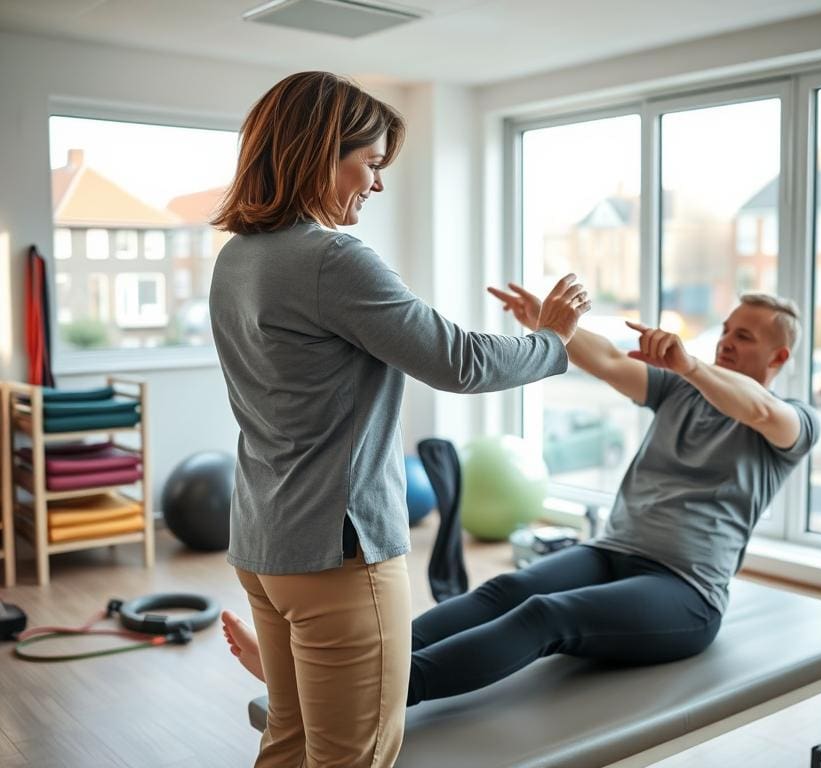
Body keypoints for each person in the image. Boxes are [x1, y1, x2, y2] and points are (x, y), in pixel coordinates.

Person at [208, 72, 591, 768]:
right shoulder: (332, 259)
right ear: (320, 154)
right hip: (338, 554)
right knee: (353, 757)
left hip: (265, 545)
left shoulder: (237, 257)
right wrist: (551, 340)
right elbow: (459, 361)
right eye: (370, 163)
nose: (378, 184)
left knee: (288, 741)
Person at [221, 284, 819, 713]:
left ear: (779, 357)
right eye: (727, 330)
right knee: (505, 590)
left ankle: (353, 694)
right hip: (614, 551)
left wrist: (689, 365)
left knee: (546, 617)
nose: (727, 342)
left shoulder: (793, 423)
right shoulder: (680, 392)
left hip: (685, 591)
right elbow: (610, 360)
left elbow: (760, 409)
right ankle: (326, 673)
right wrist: (552, 331)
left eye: (744, 336)